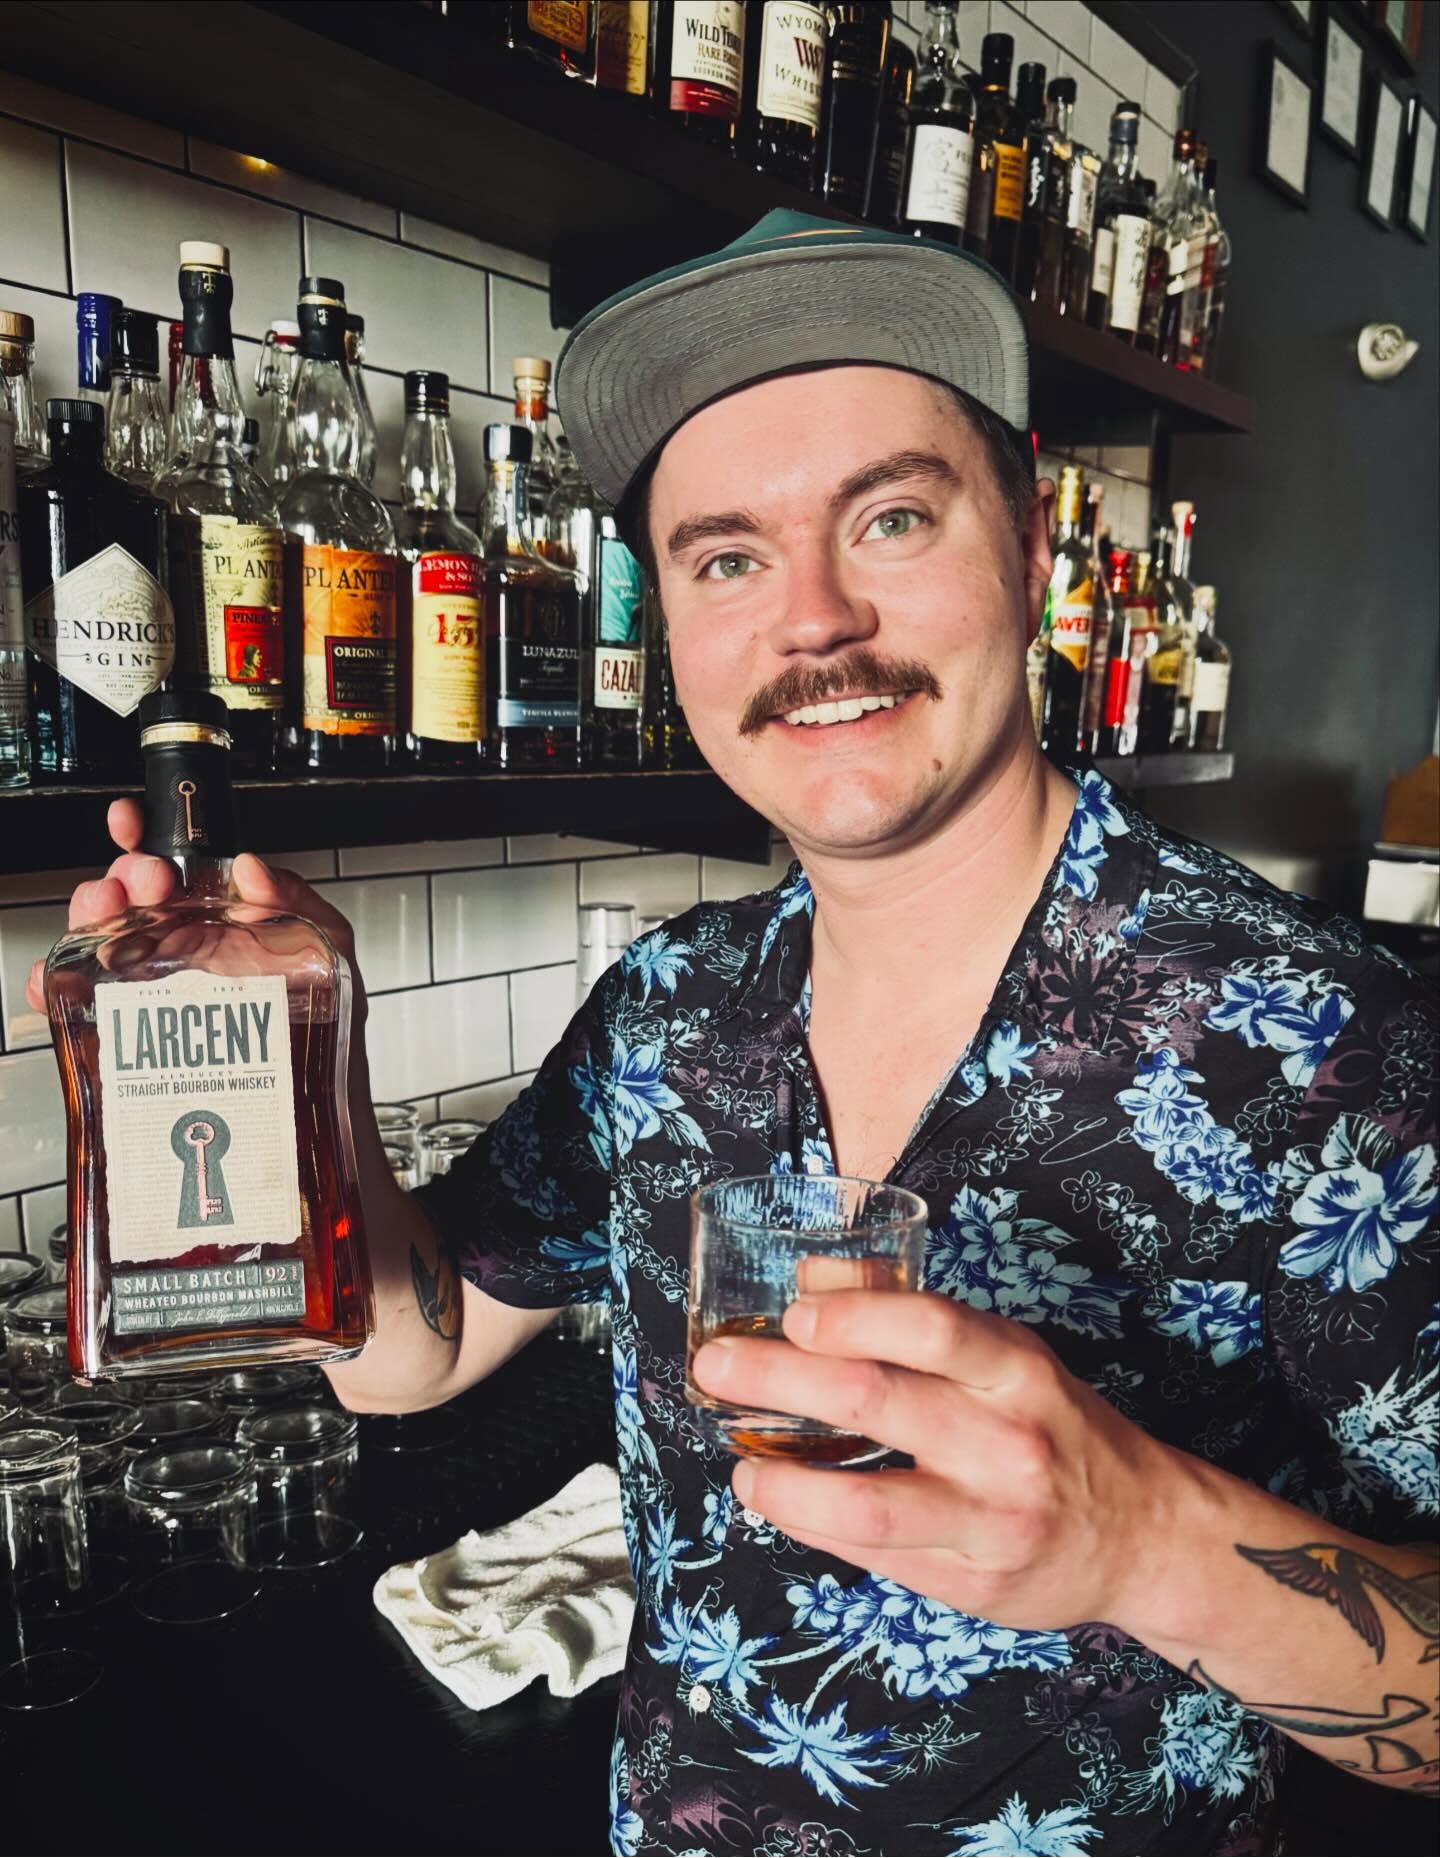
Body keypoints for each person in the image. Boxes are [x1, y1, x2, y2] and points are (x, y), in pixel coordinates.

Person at [32, 211, 1437, 1855]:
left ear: (1034, 540)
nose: (814, 620)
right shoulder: (673, 1007)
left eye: (893, 517)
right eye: (727, 558)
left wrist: (1148, 1541)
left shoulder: (1327, 1042)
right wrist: (296, 1069)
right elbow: (409, 1358)